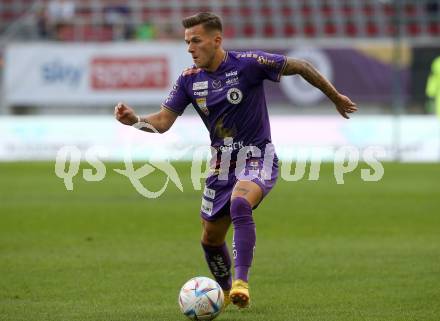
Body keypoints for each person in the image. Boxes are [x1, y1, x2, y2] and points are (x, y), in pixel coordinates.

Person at [114, 12, 357, 309]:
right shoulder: (190, 80)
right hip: (221, 166)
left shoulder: (248, 64)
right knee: (210, 238)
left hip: (258, 157)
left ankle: (242, 282)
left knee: (240, 202)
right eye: (187, 42)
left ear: (217, 40)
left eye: (196, 41)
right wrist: (135, 121)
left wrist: (335, 97)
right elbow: (163, 122)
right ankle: (227, 293)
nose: (190, 48)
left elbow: (302, 66)